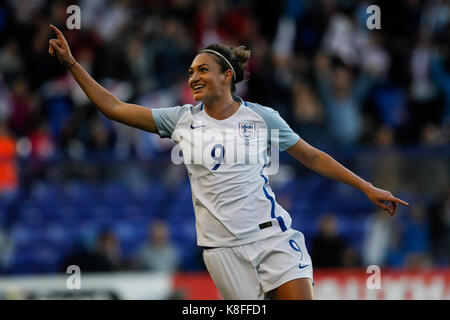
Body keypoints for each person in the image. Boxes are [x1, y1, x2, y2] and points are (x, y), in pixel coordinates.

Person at [48, 25, 409, 300]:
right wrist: (73, 64)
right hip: (222, 251)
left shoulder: (262, 117)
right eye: (191, 72)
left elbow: (313, 156)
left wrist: (366, 187)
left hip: (271, 237)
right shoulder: (181, 120)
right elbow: (114, 108)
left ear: (227, 76)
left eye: (202, 70)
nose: (193, 77)